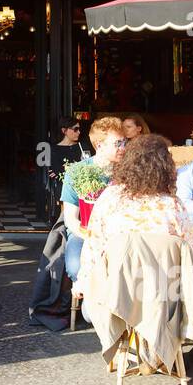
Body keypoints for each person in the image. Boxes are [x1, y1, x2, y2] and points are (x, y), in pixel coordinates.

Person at [75, 134, 193, 369]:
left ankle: (128, 346)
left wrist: (82, 283)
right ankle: (158, 348)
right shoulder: (172, 205)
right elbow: (191, 256)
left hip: (118, 292)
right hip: (163, 295)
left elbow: (94, 246)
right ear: (165, 167)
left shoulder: (110, 198)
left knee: (93, 301)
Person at [59, 116, 123, 283]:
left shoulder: (129, 172)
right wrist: (89, 236)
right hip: (84, 233)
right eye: (118, 143)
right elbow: (71, 218)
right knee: (76, 269)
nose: (123, 148)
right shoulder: (77, 172)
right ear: (100, 145)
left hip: (120, 234)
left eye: (124, 143)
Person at [48, 116, 89, 212]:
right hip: (64, 187)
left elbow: (88, 167)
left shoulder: (82, 146)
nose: (78, 132)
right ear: (64, 130)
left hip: (83, 186)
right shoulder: (54, 149)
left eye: (79, 129)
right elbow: (56, 172)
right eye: (75, 129)